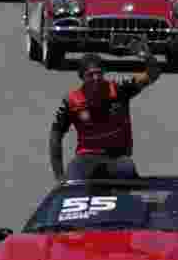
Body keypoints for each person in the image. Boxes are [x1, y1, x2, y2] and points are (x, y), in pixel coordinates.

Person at [48, 38, 161, 182]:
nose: (96, 78)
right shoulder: (71, 101)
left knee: (127, 173)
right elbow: (55, 136)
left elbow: (153, 74)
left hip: (118, 158)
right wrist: (59, 176)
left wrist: (146, 56)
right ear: (82, 77)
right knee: (72, 182)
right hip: (85, 159)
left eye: (99, 73)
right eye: (90, 75)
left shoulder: (120, 88)